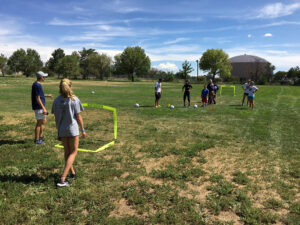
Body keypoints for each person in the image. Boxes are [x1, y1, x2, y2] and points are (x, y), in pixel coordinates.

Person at [52, 78, 86, 187]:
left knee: (67, 153)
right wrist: (83, 130)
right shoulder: (74, 100)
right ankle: (62, 179)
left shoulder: (56, 100)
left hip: (62, 130)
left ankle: (72, 172)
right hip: (72, 130)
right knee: (73, 152)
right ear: (70, 86)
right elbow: (78, 117)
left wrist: (59, 131)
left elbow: (56, 118)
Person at [31, 71, 53, 145]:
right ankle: (37, 140)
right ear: (40, 77)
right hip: (39, 107)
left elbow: (40, 95)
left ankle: (40, 137)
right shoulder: (37, 85)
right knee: (39, 123)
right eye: (44, 77)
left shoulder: (37, 84)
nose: (44, 78)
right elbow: (37, 98)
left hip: (40, 106)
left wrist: (47, 95)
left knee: (43, 122)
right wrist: (43, 108)